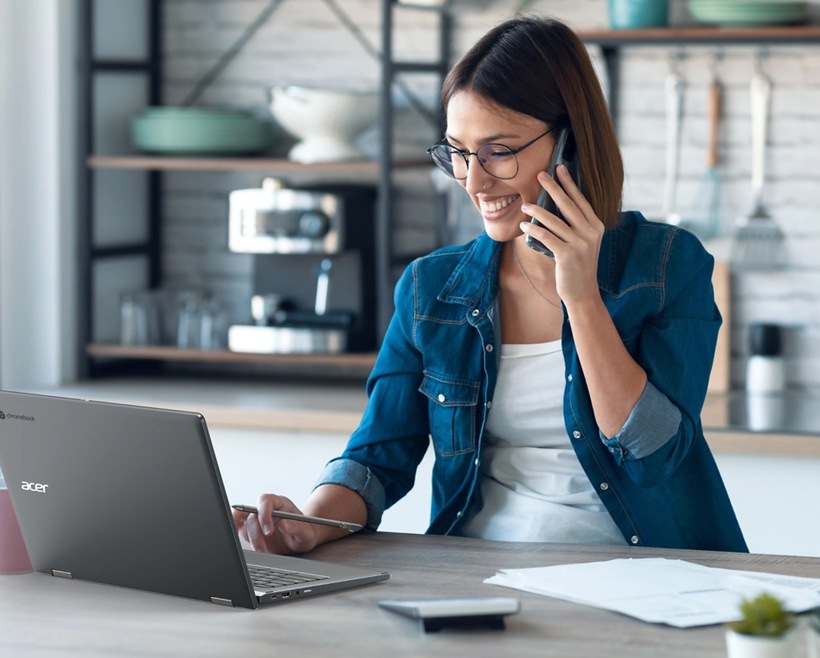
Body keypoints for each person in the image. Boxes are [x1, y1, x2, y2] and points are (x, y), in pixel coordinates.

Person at [235, 15, 747, 554]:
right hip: (477, 575)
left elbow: (654, 456)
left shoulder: (667, 266)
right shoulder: (429, 289)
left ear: (568, 143)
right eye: (458, 152)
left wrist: (581, 296)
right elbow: (377, 459)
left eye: (499, 152)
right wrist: (312, 522)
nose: (473, 181)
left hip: (641, 576)